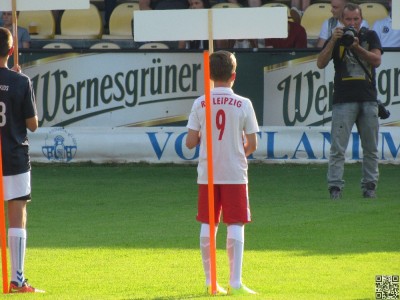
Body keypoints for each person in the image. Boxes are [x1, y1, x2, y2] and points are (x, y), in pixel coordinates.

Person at [186, 50, 259, 295]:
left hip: (208, 171)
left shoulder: (200, 102)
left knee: (208, 222)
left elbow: (189, 141)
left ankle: (210, 282)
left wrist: (203, 139)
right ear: (233, 75)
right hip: (234, 171)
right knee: (235, 222)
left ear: (210, 75)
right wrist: (237, 152)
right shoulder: (244, 103)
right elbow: (252, 144)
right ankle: (235, 283)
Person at [316, 3, 382, 199]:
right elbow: (320, 63)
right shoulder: (336, 37)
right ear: (341, 21)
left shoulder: (370, 36)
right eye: (348, 20)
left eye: (356, 19)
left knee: (370, 147)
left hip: (368, 98)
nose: (352, 23)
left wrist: (356, 47)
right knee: (338, 148)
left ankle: (369, 187)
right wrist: (333, 41)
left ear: (361, 19)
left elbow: (376, 60)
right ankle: (335, 187)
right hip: (343, 99)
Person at [0, 27, 43, 293]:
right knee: (17, 216)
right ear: (12, 50)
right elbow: (33, 124)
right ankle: (17, 279)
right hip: (13, 155)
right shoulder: (21, 82)